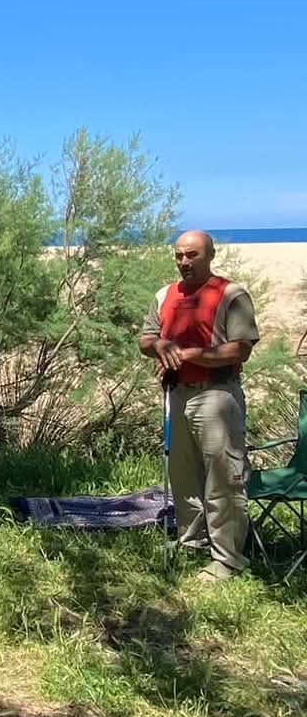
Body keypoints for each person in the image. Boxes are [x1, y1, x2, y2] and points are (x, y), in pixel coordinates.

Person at [140, 230, 260, 582]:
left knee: (224, 476)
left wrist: (192, 354)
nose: (184, 262)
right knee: (184, 474)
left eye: (191, 255)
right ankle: (193, 542)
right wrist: (159, 346)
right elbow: (146, 338)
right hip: (177, 394)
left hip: (217, 394)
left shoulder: (231, 294)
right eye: (178, 255)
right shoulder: (165, 294)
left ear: (210, 255)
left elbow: (240, 349)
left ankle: (229, 558)